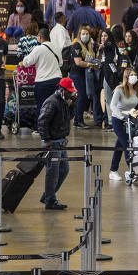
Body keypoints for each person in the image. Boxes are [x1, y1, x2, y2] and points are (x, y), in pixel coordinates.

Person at [38, 77, 76, 210]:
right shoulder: (51, 102)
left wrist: (72, 106)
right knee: (52, 173)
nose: (71, 94)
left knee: (64, 170)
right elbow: (42, 122)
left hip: (61, 141)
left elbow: (69, 117)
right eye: (69, 92)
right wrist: (46, 139)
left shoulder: (65, 101)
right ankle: (50, 200)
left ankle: (48, 195)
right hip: (53, 142)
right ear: (61, 89)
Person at [109, 69, 138, 182]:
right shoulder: (119, 90)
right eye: (131, 75)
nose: (134, 77)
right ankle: (134, 170)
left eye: (135, 75)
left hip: (132, 120)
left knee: (120, 145)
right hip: (119, 120)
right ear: (126, 77)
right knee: (127, 145)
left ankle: (113, 170)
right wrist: (122, 116)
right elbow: (112, 106)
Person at [21, 27, 62, 127]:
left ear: (40, 37)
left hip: (43, 82)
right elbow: (60, 63)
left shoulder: (38, 49)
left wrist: (21, 63)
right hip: (57, 81)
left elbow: (26, 62)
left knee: (42, 106)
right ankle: (54, 127)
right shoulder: (56, 48)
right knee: (56, 106)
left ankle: (40, 128)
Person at [69, 25, 99, 128]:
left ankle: (78, 119)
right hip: (76, 74)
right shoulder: (77, 45)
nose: (85, 35)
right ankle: (78, 121)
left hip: (86, 74)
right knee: (81, 96)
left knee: (85, 97)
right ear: (79, 35)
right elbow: (78, 62)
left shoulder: (90, 45)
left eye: (87, 34)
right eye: (83, 34)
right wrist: (90, 64)